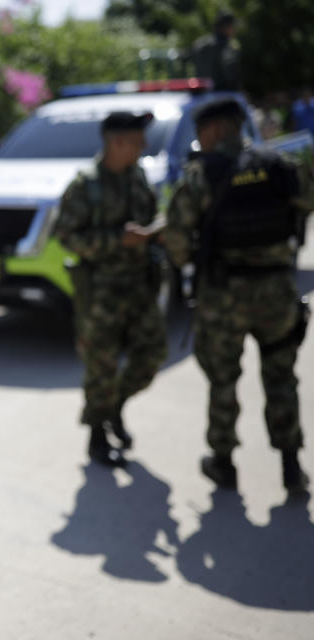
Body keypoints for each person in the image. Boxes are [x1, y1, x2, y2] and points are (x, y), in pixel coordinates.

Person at [163, 98, 312, 493]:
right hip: (276, 294)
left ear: (213, 130)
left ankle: (224, 464)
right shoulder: (279, 167)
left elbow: (175, 242)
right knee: (281, 377)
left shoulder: (199, 177)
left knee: (223, 380)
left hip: (223, 297)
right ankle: (291, 467)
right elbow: (306, 203)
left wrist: (195, 255)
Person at [56, 112, 168, 468]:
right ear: (117, 142)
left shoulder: (137, 176)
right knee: (100, 365)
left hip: (139, 285)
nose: (144, 147)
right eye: (137, 139)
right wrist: (118, 240)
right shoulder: (85, 184)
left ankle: (114, 407)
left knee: (152, 355)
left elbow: (151, 215)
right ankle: (97, 435)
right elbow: (67, 237)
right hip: (101, 290)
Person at [189, 11, 241, 92]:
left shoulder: (201, 43)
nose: (234, 29)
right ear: (225, 27)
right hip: (224, 94)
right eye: (232, 26)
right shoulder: (227, 46)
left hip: (201, 92)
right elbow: (230, 73)